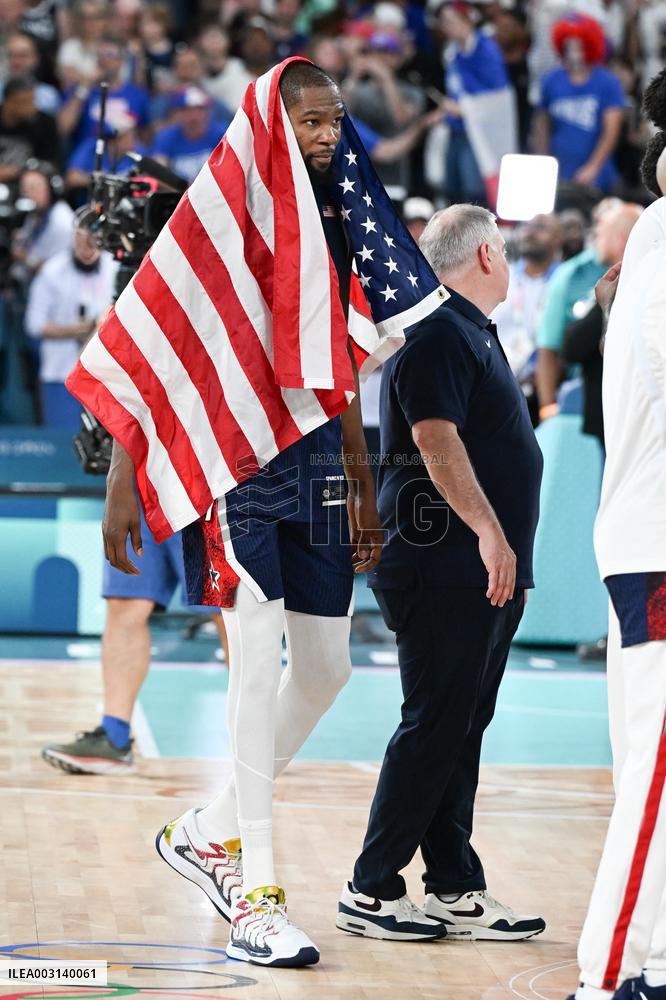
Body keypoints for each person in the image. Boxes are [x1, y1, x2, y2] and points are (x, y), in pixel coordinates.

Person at [66, 58, 441, 968]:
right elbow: (143, 337)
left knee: (326, 667)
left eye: (335, 121)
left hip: (313, 451)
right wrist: (124, 480)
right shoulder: (217, 207)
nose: (325, 136)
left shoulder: (336, 214)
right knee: (255, 661)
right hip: (235, 459)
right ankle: (256, 893)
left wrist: (358, 476)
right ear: (273, 120)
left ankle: (209, 826)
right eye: (312, 122)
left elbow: (339, 357)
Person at [338, 204, 545, 942]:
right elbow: (433, 438)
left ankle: (453, 882)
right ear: (487, 254)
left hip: (479, 570)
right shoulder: (437, 332)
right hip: (443, 563)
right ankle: (371, 887)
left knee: (462, 724)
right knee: (435, 723)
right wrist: (490, 530)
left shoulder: (467, 331)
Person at [566, 137, 666, 1000]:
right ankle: (606, 976)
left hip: (645, 538)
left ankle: (657, 964)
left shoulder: (649, 245)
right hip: (658, 548)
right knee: (654, 774)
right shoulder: (663, 240)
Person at [41, 511, 229, 775]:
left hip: (201, 491)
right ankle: (114, 736)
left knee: (228, 612)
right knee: (125, 604)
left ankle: (262, 736)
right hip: (138, 492)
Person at [535, 200, 641, 422]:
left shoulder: (643, 279)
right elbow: (550, 346)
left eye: (601, 233)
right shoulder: (569, 275)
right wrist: (547, 406)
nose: (594, 239)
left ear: (620, 238)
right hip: (583, 400)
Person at [25, 211, 116, 428]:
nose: (87, 249)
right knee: (62, 440)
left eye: (93, 243)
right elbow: (34, 324)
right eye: (82, 241)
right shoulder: (52, 271)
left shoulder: (114, 269)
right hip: (60, 371)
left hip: (102, 376)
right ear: (74, 237)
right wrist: (74, 330)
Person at [533, 14, 625, 194]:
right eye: (569, 47)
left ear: (590, 46)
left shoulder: (608, 81)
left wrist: (593, 167)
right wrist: (542, 162)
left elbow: (612, 130)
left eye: (580, 47)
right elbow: (542, 125)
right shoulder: (551, 80)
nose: (574, 53)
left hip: (598, 176)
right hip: (559, 170)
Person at [492, 213, 562, 406]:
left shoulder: (565, 280)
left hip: (549, 390)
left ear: (558, 238)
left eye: (540, 228)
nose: (530, 233)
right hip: (500, 387)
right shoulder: (502, 277)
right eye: (527, 227)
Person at [150, 86, 230, 184]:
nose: (194, 116)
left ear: (207, 112)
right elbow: (158, 169)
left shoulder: (221, 132)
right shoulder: (167, 136)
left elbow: (230, 166)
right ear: (178, 114)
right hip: (179, 193)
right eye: (187, 110)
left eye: (199, 109)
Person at [11, 161, 74, 282]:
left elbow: (58, 274)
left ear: (52, 189)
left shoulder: (62, 222)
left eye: (34, 187)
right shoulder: (35, 212)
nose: (28, 194)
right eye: (24, 188)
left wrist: (25, 258)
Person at [0, 75, 60, 183]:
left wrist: (17, 171)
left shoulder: (45, 122)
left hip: (27, 182)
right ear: (8, 103)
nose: (32, 108)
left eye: (33, 100)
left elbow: (50, 164)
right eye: (24, 102)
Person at [1, 30, 59, 113]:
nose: (16, 62)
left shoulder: (48, 96)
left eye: (23, 56)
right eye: (11, 55)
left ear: (36, 58)